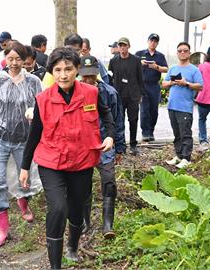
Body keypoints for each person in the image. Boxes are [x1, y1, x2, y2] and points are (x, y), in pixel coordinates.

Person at [19, 47, 114, 269]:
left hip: (82, 160)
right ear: (52, 72)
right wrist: (24, 167)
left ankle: (72, 245)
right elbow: (34, 136)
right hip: (52, 161)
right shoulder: (43, 99)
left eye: (69, 69)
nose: (63, 75)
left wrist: (109, 135)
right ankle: (55, 265)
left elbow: (106, 114)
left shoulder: (91, 93)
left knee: (76, 207)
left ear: (77, 70)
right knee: (58, 208)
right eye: (58, 70)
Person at [0, 41, 42, 248]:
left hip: (24, 139)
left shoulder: (33, 82)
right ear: (5, 59)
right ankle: (3, 229)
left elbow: (43, 107)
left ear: (25, 60)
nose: (14, 63)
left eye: (18, 59)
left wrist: (35, 113)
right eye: (10, 59)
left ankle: (24, 207)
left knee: (24, 178)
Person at [79, 55, 125, 239]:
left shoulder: (110, 93)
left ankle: (108, 224)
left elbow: (118, 120)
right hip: (83, 146)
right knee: (82, 184)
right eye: (85, 76)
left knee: (109, 181)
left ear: (97, 73)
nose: (88, 79)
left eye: (91, 75)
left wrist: (119, 147)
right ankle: (84, 221)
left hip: (105, 145)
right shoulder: (74, 92)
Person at [162, 42, 203, 169]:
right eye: (180, 51)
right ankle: (179, 156)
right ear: (177, 53)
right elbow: (164, 83)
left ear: (189, 53)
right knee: (177, 134)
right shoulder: (173, 68)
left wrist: (186, 83)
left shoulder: (194, 70)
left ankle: (186, 158)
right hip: (172, 106)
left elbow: (200, 86)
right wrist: (172, 83)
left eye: (185, 50)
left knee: (185, 133)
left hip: (185, 108)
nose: (182, 53)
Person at [109, 37, 144, 155]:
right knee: (119, 121)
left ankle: (133, 144)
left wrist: (141, 94)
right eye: (120, 45)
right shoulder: (114, 61)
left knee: (133, 120)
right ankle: (121, 145)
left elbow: (140, 77)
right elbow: (110, 77)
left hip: (133, 95)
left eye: (124, 45)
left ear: (129, 46)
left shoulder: (135, 60)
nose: (122, 48)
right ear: (118, 47)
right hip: (119, 95)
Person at [135, 33, 168, 142]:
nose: (153, 43)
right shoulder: (139, 54)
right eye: (151, 40)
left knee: (154, 110)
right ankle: (145, 133)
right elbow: (132, 64)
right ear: (148, 41)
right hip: (142, 85)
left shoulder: (160, 56)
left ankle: (151, 131)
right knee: (144, 110)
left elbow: (166, 69)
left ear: (157, 43)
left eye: (155, 41)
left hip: (154, 85)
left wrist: (156, 67)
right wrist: (140, 63)